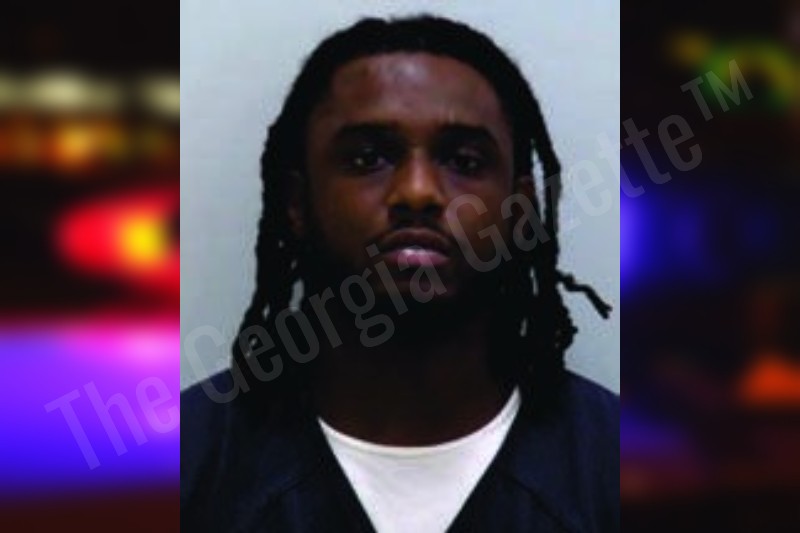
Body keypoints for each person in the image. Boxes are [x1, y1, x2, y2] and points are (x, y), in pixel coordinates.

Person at [181, 15, 619, 533]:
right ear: (296, 202)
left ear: (520, 212)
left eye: (464, 161)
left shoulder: (617, 467)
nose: (417, 191)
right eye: (368, 159)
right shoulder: (188, 460)